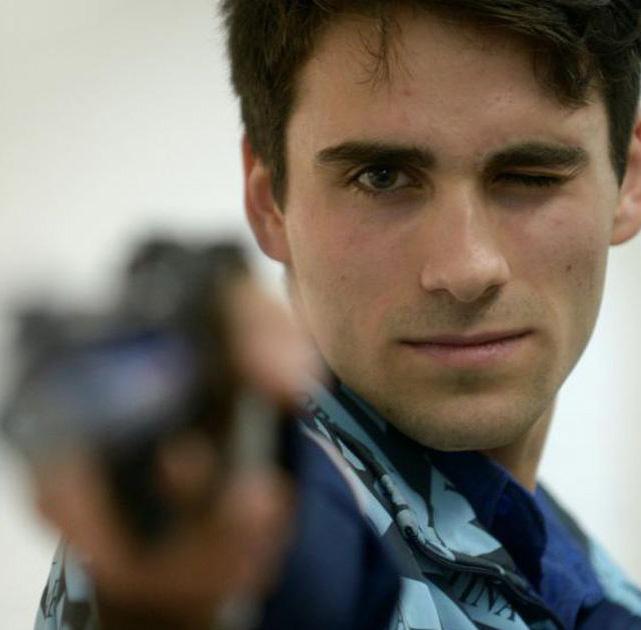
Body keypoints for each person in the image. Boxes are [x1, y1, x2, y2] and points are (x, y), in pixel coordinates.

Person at [33, 0, 641, 628]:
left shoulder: (589, 583)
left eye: (531, 175)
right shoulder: (254, 513)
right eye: (382, 177)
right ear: (268, 201)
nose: (466, 268)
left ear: (627, 180)